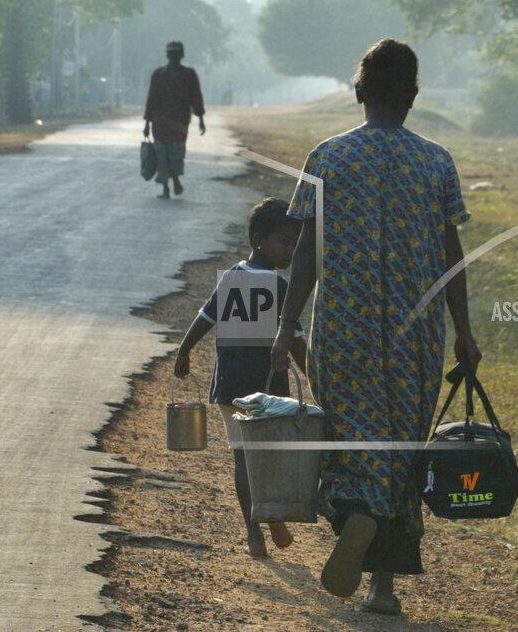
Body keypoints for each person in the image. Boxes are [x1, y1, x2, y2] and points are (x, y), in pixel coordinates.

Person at [269, 38, 481, 616]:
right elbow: (450, 256)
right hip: (416, 337)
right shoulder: (436, 160)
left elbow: (306, 253)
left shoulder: (327, 158)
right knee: (404, 449)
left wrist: (287, 326)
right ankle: (383, 587)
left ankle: (353, 510)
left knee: (347, 436)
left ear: (359, 91)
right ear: (412, 96)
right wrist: (464, 330)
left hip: (343, 329)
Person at [173, 198, 307, 558]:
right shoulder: (281, 289)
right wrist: (314, 377)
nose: (291, 250)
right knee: (264, 457)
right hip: (266, 389)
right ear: (259, 239)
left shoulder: (233, 276)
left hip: (230, 385)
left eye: (296, 242)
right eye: (285, 241)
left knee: (245, 459)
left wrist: (185, 349)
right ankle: (261, 523)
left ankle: (256, 528)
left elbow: (206, 317)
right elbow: (294, 342)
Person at [143, 40, 206, 199]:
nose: (173, 57)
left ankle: (173, 183)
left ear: (180, 55)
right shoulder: (159, 75)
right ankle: (168, 186)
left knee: (173, 154)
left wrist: (201, 118)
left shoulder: (187, 75)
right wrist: (147, 123)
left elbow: (196, 97)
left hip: (176, 123)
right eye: (172, 54)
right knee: (164, 155)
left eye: (175, 54)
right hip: (165, 123)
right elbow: (152, 99)